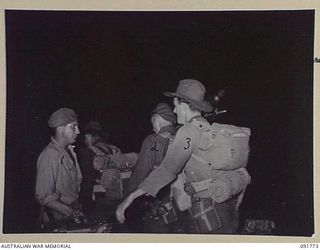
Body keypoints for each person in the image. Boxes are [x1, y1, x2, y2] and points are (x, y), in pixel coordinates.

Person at [116, 79, 246, 234]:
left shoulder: (188, 132)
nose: (175, 111)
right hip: (227, 206)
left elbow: (167, 170)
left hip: (210, 214)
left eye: (176, 105)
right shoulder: (206, 127)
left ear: (184, 105)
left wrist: (130, 198)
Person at [124, 103, 178, 233]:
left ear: (158, 119)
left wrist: (128, 196)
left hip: (158, 204)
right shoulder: (183, 136)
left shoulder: (153, 140)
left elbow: (141, 173)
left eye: (153, 122)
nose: (153, 128)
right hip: (181, 203)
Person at [35, 108, 84, 228]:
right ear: (60, 129)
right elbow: (43, 197)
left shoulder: (70, 152)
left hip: (71, 213)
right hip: (57, 219)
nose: (78, 131)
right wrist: (71, 213)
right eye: (73, 127)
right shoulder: (50, 155)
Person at [78, 121, 120, 217]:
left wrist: (85, 205)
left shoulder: (88, 152)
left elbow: (87, 181)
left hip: (99, 203)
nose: (84, 142)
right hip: (117, 198)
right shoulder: (115, 150)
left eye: (84, 138)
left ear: (88, 136)